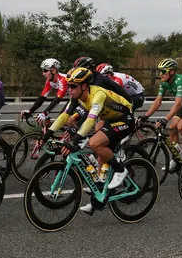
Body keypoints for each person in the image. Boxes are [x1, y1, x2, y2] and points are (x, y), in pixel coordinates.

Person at [41, 67, 134, 214]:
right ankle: (98, 199)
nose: (69, 89)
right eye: (68, 85)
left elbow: (90, 121)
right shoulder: (78, 96)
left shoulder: (97, 94)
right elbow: (64, 116)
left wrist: (74, 140)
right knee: (99, 151)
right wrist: (45, 136)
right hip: (108, 119)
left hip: (125, 118)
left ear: (84, 86)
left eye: (73, 86)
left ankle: (120, 170)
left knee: (94, 142)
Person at [138, 58, 182, 169]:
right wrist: (146, 115)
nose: (160, 74)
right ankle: (177, 158)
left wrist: (165, 118)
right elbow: (158, 101)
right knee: (172, 128)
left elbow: (178, 103)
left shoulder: (180, 80)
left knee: (181, 127)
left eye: (163, 71)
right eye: (159, 71)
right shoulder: (164, 83)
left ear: (171, 72)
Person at [20, 59, 68, 124]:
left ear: (53, 70)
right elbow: (42, 98)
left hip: (81, 99)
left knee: (63, 120)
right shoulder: (49, 82)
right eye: (43, 71)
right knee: (61, 121)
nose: (43, 74)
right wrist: (30, 111)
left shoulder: (63, 80)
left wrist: (44, 113)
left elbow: (57, 100)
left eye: (45, 71)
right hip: (73, 99)